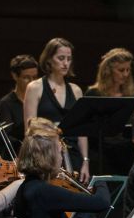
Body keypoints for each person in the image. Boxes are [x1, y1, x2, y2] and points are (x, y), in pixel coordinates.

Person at [23, 37, 91, 183]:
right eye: (61, 58)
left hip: (72, 154)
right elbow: (29, 129)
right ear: (48, 60)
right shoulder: (35, 88)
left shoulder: (76, 90)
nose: (66, 63)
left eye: (69, 59)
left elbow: (82, 132)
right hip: (46, 153)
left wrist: (85, 161)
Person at [84, 47, 134, 175]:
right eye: (121, 70)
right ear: (108, 71)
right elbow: (86, 129)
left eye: (128, 70)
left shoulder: (129, 96)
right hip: (100, 155)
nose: (125, 74)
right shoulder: (94, 94)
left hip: (125, 155)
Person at [0, 54, 39, 155]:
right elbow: (5, 139)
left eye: (35, 77)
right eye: (26, 78)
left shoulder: (41, 101)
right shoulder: (6, 103)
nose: (32, 82)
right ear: (15, 76)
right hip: (18, 157)